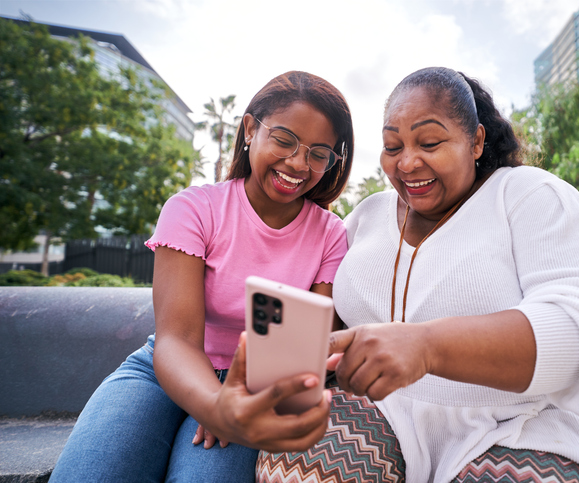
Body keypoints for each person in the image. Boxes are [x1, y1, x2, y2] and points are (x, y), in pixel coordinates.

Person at [256, 67, 579, 482]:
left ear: (475, 141)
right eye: (391, 145)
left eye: (430, 142)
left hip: (526, 421)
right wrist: (251, 386)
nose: (407, 162)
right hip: (389, 412)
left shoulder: (528, 194)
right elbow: (318, 310)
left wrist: (428, 346)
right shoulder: (367, 214)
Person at [50, 70, 354, 482]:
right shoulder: (193, 208)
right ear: (250, 129)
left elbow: (306, 350)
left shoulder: (332, 234)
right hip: (163, 370)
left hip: (257, 387)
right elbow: (176, 338)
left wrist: (237, 403)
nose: (298, 163)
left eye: (319, 153)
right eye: (284, 141)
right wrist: (214, 403)